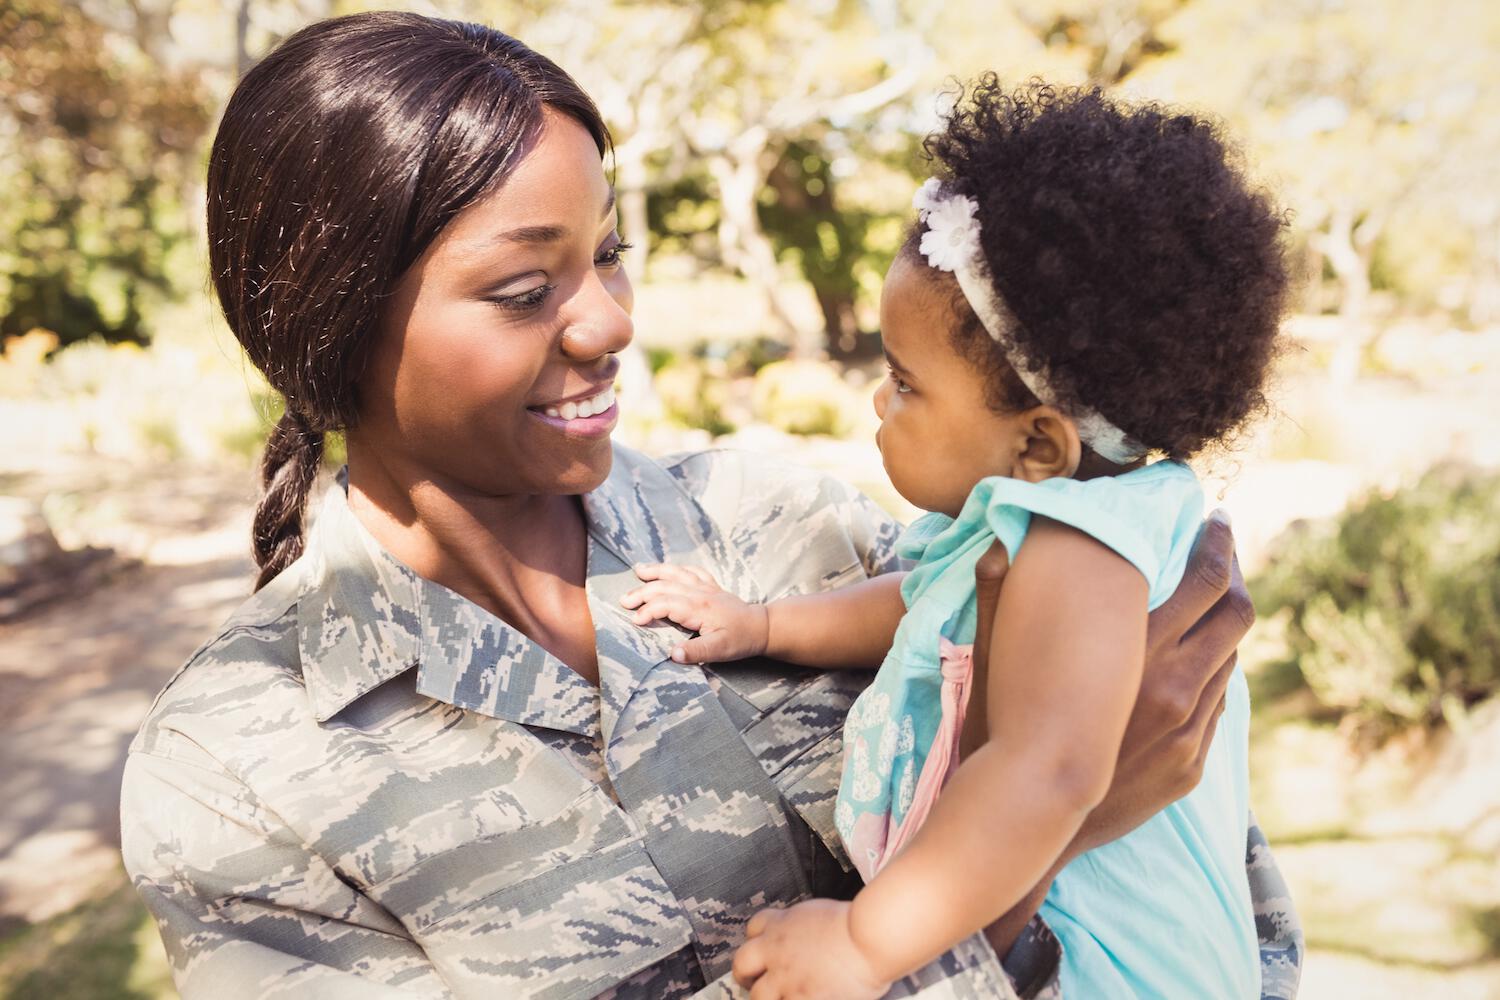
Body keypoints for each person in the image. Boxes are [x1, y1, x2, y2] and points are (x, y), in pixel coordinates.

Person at [118, 13, 1302, 999]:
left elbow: (1240, 928)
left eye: (613, 253)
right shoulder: (237, 770)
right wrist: (1044, 856)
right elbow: (1070, 788)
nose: (611, 322)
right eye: (528, 289)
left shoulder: (785, 529)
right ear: (332, 326)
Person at [624, 81, 1289, 999]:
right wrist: (764, 625)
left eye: (905, 383)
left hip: (1115, 975)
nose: (878, 400)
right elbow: (917, 604)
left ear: (1038, 443)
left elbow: (1048, 770)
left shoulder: (1082, 543)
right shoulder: (1039, 519)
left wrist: (866, 941)